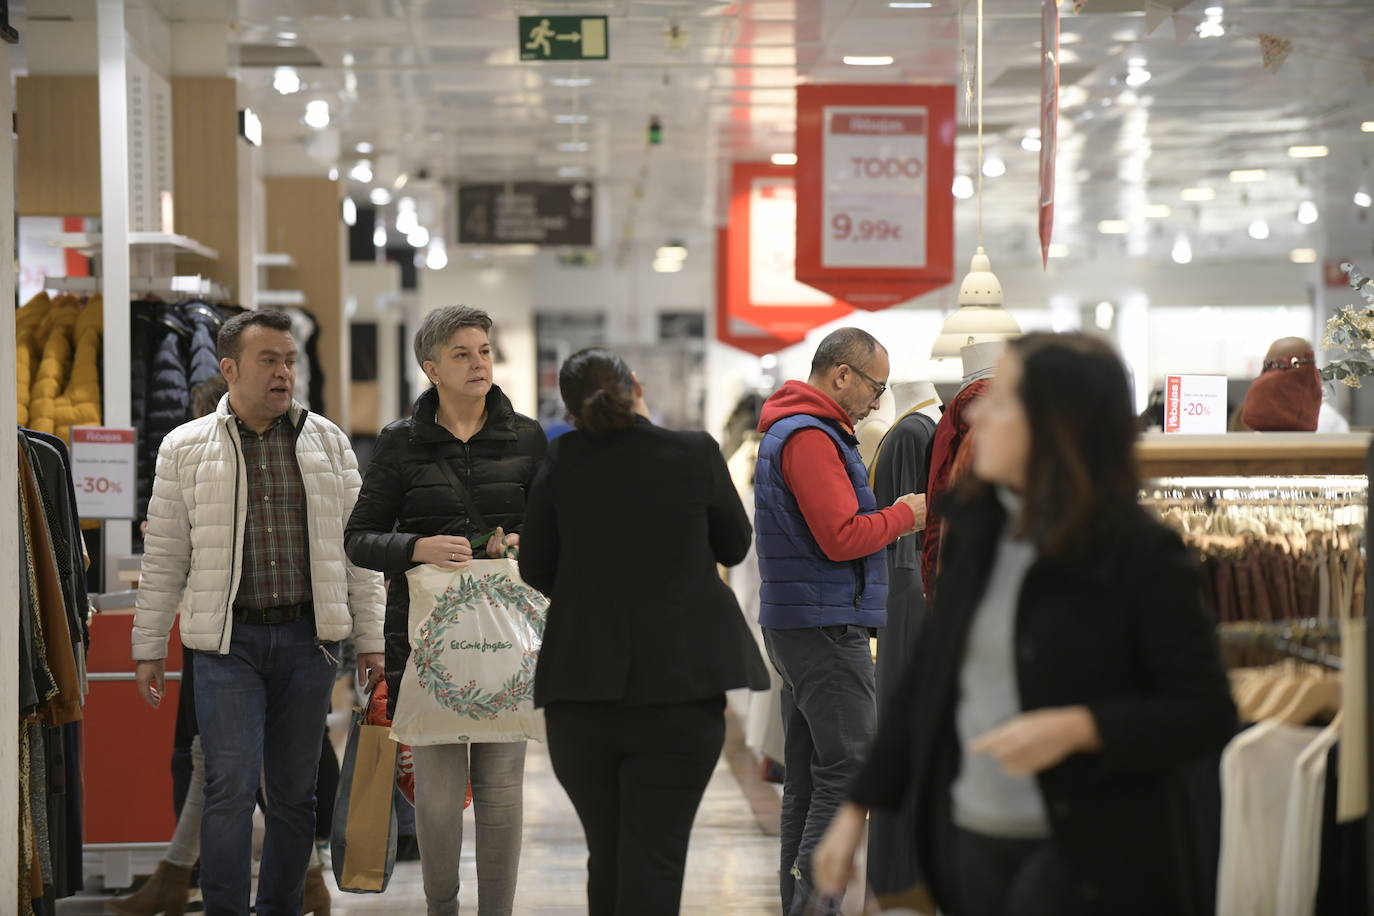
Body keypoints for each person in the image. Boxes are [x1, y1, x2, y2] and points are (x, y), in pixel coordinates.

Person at [814, 332, 1238, 916]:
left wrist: (1083, 727)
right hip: (971, 844)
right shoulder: (979, 532)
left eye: (1003, 399)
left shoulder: (1140, 554)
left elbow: (1205, 712)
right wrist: (854, 815)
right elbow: (929, 681)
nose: (979, 411)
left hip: (1092, 857)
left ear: (1057, 423)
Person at [132, 310, 386, 916]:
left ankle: (280, 907)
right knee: (229, 788)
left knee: (295, 794)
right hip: (226, 646)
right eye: (268, 360)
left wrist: (372, 640)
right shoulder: (184, 448)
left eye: (290, 360)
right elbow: (165, 553)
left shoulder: (328, 442)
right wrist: (148, 645)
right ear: (229, 369)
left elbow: (359, 550)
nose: (284, 373)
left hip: (307, 640)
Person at [518, 348, 770, 916]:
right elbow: (734, 545)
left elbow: (535, 566)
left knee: (605, 856)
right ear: (636, 386)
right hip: (680, 688)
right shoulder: (693, 453)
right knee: (655, 857)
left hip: (581, 691)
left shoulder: (563, 460)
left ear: (569, 407)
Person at [345, 305, 546, 916]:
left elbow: (559, 535)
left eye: (484, 351)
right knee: (434, 796)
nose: (478, 363)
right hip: (425, 641)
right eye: (462, 354)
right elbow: (358, 538)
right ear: (431, 368)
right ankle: (442, 907)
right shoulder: (398, 443)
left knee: (502, 790)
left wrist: (519, 544)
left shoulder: (528, 437)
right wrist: (416, 547)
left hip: (508, 641)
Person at [753, 327, 926, 916]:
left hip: (807, 621)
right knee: (849, 772)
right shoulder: (809, 437)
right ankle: (813, 907)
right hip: (825, 626)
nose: (878, 400)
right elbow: (841, 535)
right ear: (842, 375)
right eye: (875, 386)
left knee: (809, 778)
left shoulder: (805, 432)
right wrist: (902, 515)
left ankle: (802, 908)